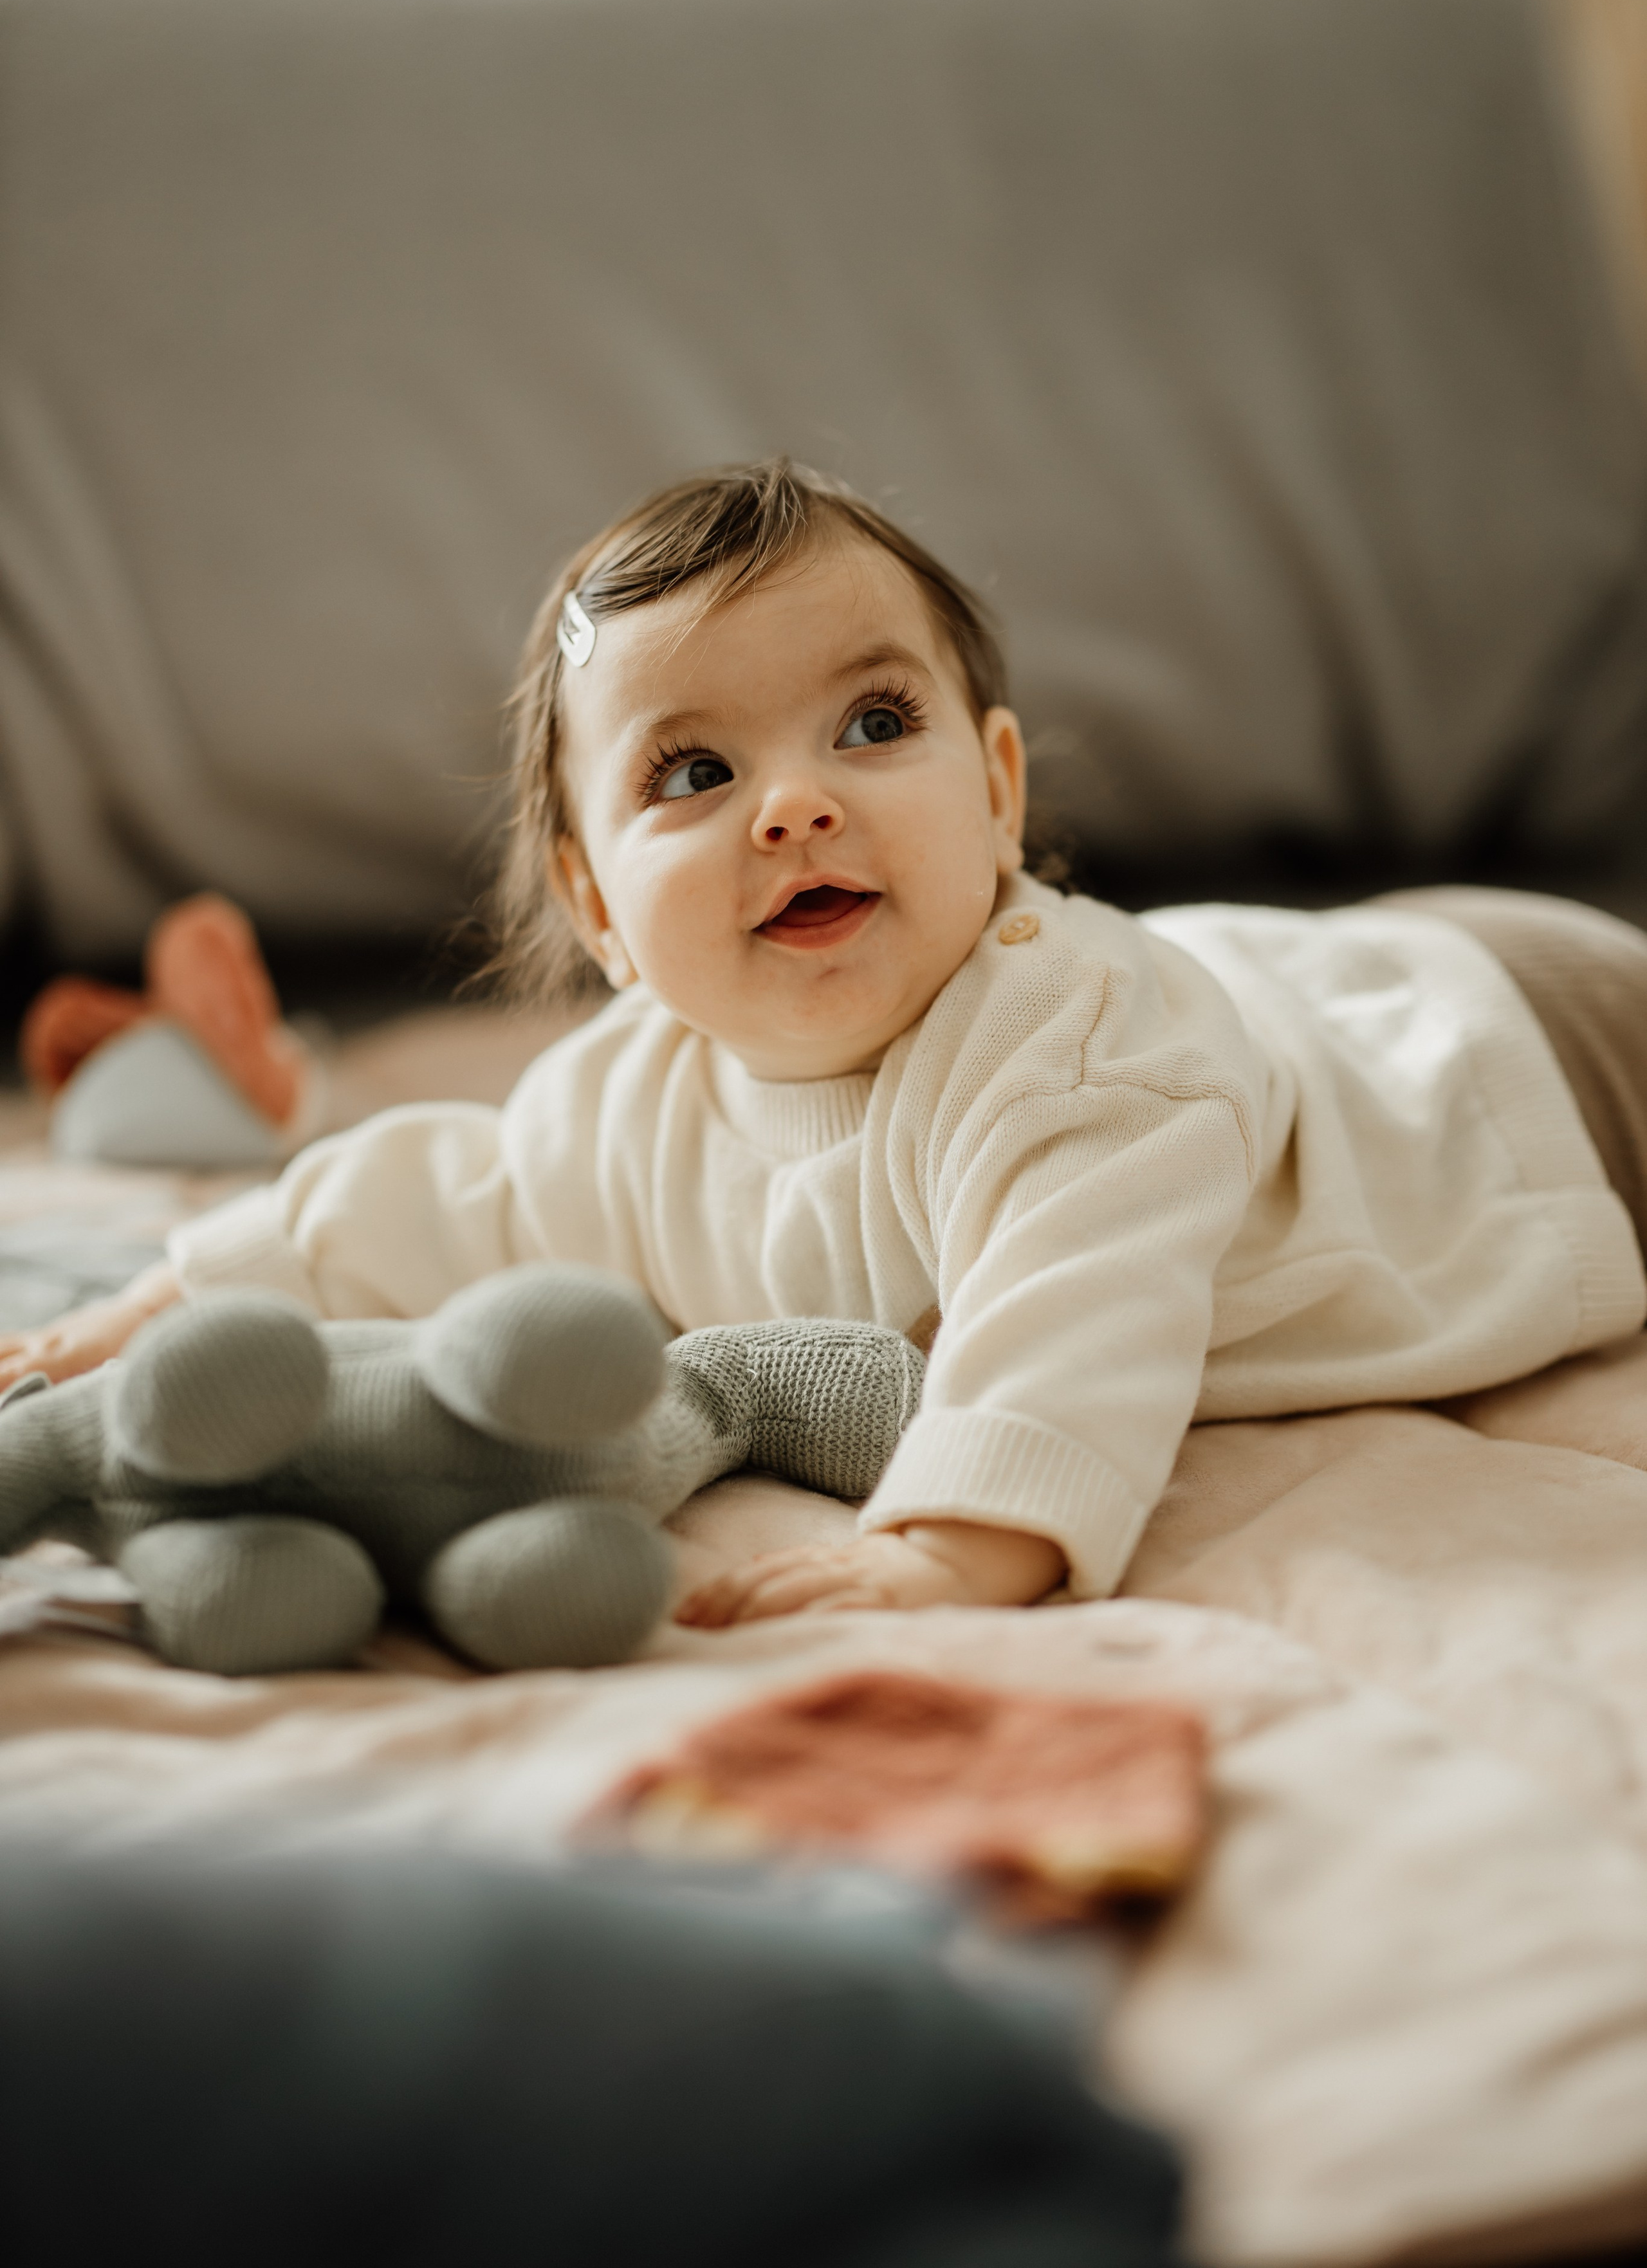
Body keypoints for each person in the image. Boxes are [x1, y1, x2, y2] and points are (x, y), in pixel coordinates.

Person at [6, 457, 1647, 1629]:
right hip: (1331, 995)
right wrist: (200, 1289)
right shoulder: (624, 1101)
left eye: (874, 726)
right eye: (691, 772)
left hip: (1528, 1069)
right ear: (593, 906)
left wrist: (952, 1544)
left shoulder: (1068, 1046)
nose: (796, 800)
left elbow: (1080, 1312)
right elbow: (459, 1197)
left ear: (996, 792)